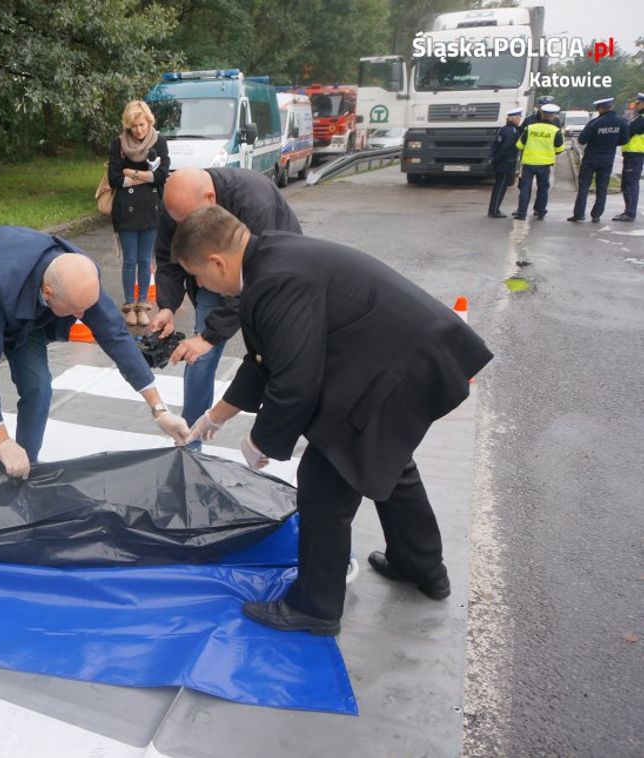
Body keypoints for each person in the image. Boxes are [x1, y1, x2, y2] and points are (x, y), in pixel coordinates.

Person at [172, 206, 492, 636]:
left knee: (327, 478)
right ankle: (421, 566)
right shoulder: (269, 257)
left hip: (398, 367)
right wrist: (215, 418)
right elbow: (266, 358)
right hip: (409, 355)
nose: (201, 287)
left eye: (198, 277)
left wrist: (263, 440)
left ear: (217, 261)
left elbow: (296, 380)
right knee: (386, 462)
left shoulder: (275, 279)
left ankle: (315, 607)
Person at [0, 226, 189, 476]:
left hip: (28, 302)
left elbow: (117, 337)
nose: (82, 316)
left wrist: (159, 409)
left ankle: (27, 467)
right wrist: (1, 442)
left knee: (38, 385)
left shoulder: (78, 277)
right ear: (49, 293)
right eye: (76, 311)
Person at [147, 167, 302, 439]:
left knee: (271, 356)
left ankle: (271, 437)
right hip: (211, 270)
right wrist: (168, 306)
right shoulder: (177, 206)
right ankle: (191, 436)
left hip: (272, 280)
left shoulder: (254, 201)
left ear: (210, 197)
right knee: (199, 357)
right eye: (178, 222)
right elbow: (168, 259)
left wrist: (209, 335)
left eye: (188, 221)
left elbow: (261, 277)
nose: (181, 226)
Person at [108, 101, 170, 327]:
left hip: (151, 209)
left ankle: (142, 306)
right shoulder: (118, 144)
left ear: (148, 122)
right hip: (126, 210)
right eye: (134, 126)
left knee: (145, 261)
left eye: (142, 125)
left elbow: (162, 174)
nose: (139, 130)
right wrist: (145, 176)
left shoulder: (159, 142)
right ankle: (129, 307)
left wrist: (133, 173)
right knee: (129, 260)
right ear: (128, 126)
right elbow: (114, 177)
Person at [568, 97, 629, 223]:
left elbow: (582, 140)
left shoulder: (594, 123)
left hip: (591, 157)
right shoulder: (622, 122)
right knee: (602, 187)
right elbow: (624, 140)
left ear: (600, 109)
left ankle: (579, 214)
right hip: (608, 158)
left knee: (584, 186)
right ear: (611, 107)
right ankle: (596, 215)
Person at [513, 103, 564, 221]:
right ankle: (540, 212)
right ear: (553, 116)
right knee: (543, 188)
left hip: (529, 163)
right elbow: (560, 148)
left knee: (525, 188)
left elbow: (519, 145)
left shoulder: (530, 128)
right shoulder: (555, 130)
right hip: (545, 164)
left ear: (541, 114)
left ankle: (521, 213)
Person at [613, 93, 644, 223]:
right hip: (634, 155)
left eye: (638, 103)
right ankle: (629, 211)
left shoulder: (641, 120)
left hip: (634, 155)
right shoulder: (639, 119)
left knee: (630, 184)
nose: (635, 105)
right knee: (630, 183)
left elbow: (628, 133)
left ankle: (630, 212)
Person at [487, 108, 523, 218]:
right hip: (505, 163)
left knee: (499, 186)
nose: (519, 120)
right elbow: (505, 148)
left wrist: (493, 158)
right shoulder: (512, 131)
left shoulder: (503, 129)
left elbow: (495, 145)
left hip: (501, 162)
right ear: (513, 118)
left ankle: (494, 209)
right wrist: (496, 160)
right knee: (500, 188)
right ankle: (494, 211)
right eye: (518, 118)